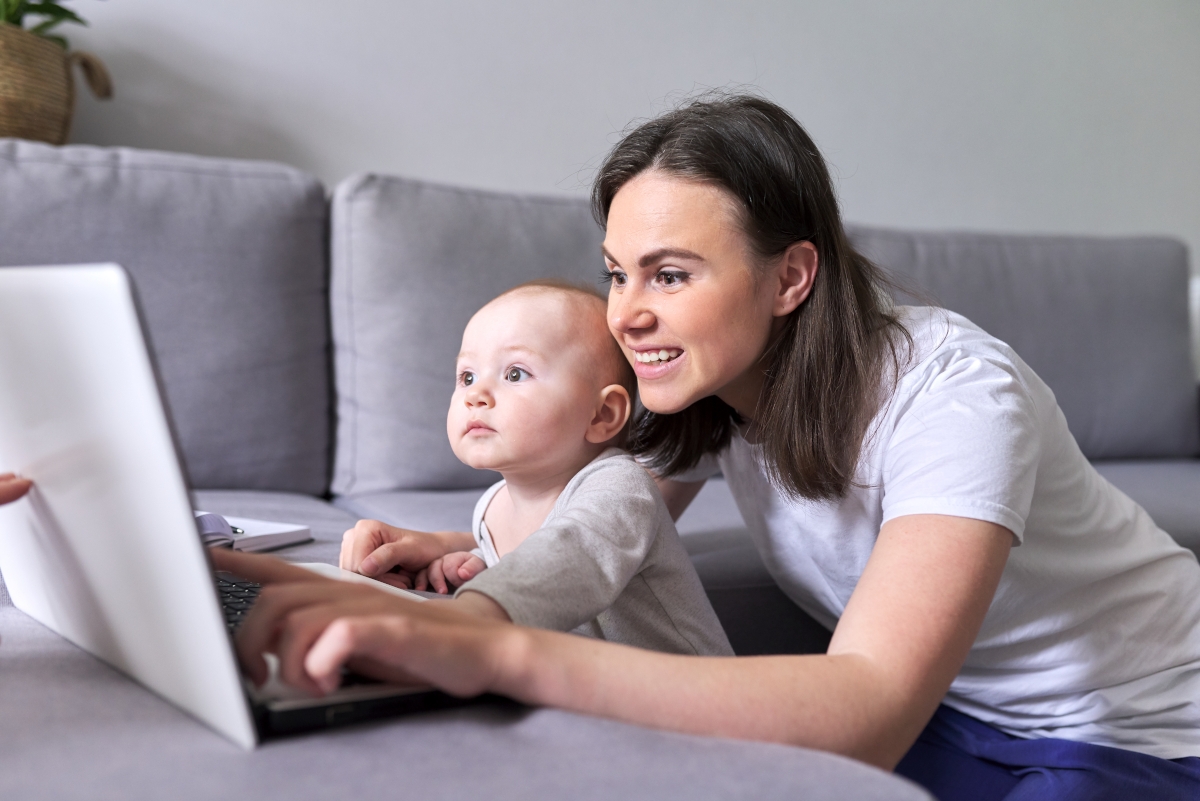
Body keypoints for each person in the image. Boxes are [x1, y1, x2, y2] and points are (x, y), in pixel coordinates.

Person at [12, 95, 1200, 800]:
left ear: (791, 277)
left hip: (1127, 730)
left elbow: (868, 708)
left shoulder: (956, 396)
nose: (626, 312)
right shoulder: (709, 386)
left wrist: (492, 651)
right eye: (618, 272)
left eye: (669, 274)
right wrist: (433, 559)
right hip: (957, 712)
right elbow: (592, 529)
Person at [346, 281, 731, 656]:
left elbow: (572, 556)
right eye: (467, 376)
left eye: (515, 374)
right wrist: (478, 562)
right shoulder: (492, 508)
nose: (475, 395)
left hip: (682, 691)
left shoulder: (622, 489)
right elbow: (535, 557)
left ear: (602, 414)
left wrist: (473, 608)